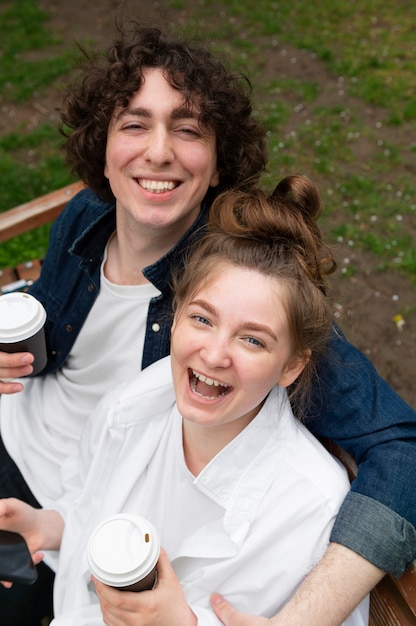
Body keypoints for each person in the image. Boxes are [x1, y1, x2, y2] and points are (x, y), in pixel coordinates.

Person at [0, 21, 414, 626]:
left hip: (95, 509)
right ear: (105, 151)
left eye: (188, 130)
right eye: (135, 124)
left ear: (220, 165)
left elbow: (401, 447)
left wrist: (302, 620)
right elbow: (50, 320)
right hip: (37, 450)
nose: (160, 151)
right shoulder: (88, 214)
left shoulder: (230, 291)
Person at [0, 176, 369, 625]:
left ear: (291, 367)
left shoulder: (310, 512)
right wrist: (50, 527)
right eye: (202, 318)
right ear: (173, 319)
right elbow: (89, 497)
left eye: (252, 340)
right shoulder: (136, 402)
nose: (214, 355)